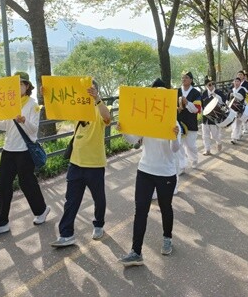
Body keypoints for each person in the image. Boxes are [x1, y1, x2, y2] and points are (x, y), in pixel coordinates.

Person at [118, 78, 181, 267]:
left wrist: (175, 135)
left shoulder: (172, 119)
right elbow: (133, 140)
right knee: (141, 211)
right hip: (145, 170)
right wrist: (123, 130)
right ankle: (136, 252)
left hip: (166, 173)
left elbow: (175, 149)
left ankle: (167, 238)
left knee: (165, 207)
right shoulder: (145, 116)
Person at [0, 72, 50, 238]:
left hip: (25, 151)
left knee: (27, 183)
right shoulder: (10, 103)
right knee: (3, 185)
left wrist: (24, 121)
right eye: (14, 84)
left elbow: (34, 129)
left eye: (20, 83)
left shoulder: (33, 104)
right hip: (8, 150)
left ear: (27, 86)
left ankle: (41, 210)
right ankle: (2, 223)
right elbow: (6, 126)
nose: (17, 86)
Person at [51, 79, 112, 247]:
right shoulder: (78, 107)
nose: (88, 92)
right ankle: (66, 234)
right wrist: (48, 94)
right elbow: (58, 108)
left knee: (98, 198)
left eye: (91, 90)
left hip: (94, 164)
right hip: (76, 162)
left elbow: (107, 118)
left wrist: (97, 99)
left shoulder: (100, 108)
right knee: (71, 200)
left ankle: (99, 224)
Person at [177, 71, 202, 171]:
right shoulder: (177, 91)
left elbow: (197, 109)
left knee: (190, 145)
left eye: (186, 77)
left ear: (191, 80)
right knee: (179, 145)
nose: (184, 79)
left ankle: (194, 159)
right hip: (179, 123)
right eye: (183, 77)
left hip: (191, 122)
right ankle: (182, 165)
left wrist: (186, 102)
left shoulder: (196, 93)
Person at [201, 76, 226, 155]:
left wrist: (215, 95)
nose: (211, 86)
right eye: (209, 84)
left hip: (215, 117)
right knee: (205, 135)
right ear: (206, 86)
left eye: (212, 84)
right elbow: (201, 105)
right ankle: (207, 149)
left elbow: (223, 103)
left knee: (215, 135)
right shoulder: (204, 93)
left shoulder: (219, 92)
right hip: (205, 117)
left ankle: (218, 142)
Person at [229, 77, 247, 144]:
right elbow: (228, 99)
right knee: (234, 123)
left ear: (240, 82)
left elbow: (241, 97)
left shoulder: (242, 89)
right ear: (233, 82)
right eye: (235, 81)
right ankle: (235, 136)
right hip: (232, 108)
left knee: (237, 123)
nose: (236, 83)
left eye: (237, 81)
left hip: (239, 108)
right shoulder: (231, 90)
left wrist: (233, 94)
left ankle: (234, 137)